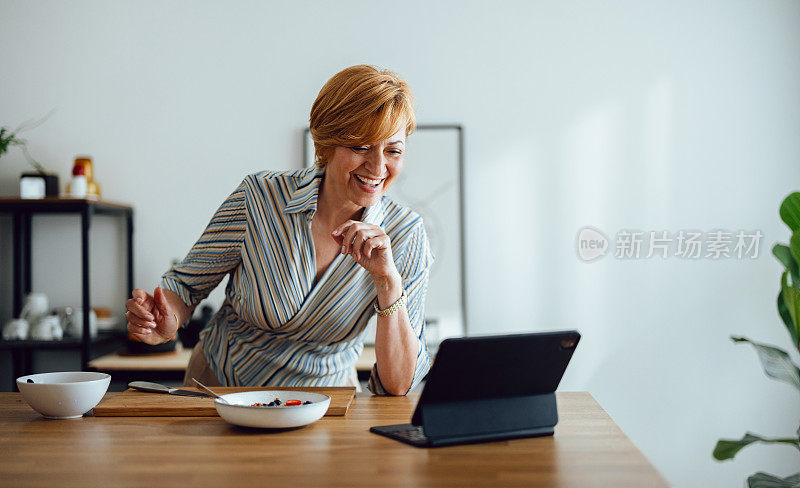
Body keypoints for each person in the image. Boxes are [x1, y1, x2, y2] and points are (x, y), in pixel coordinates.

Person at [124, 65, 433, 395]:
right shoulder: (259, 197)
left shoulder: (406, 235)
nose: (377, 166)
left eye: (393, 150)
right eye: (360, 147)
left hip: (324, 408)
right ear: (327, 143)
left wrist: (388, 279)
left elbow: (399, 383)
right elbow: (185, 286)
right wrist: (164, 318)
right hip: (222, 391)